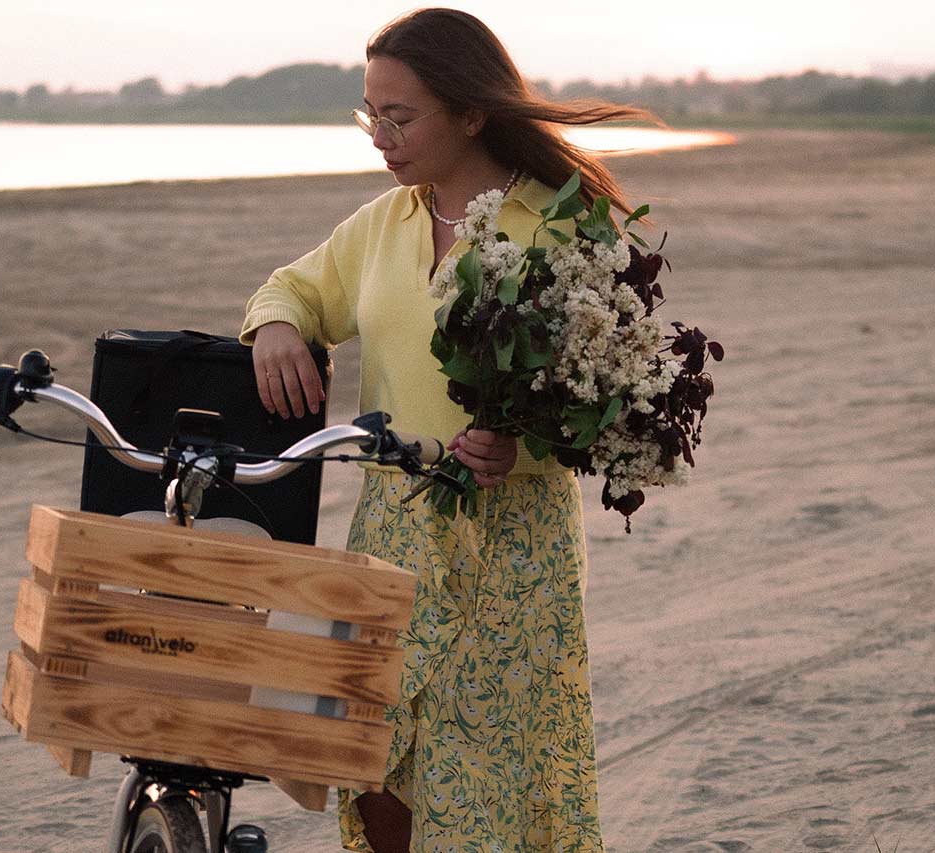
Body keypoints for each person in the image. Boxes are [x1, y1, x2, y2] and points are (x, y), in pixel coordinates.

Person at [240, 9, 651, 851]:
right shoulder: (381, 225)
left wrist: (519, 442)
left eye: (400, 116)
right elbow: (291, 287)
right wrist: (277, 324)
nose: (381, 138)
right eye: (370, 115)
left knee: (485, 774)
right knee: (376, 765)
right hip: (391, 532)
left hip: (510, 546)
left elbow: (605, 399)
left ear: (471, 113)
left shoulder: (565, 228)